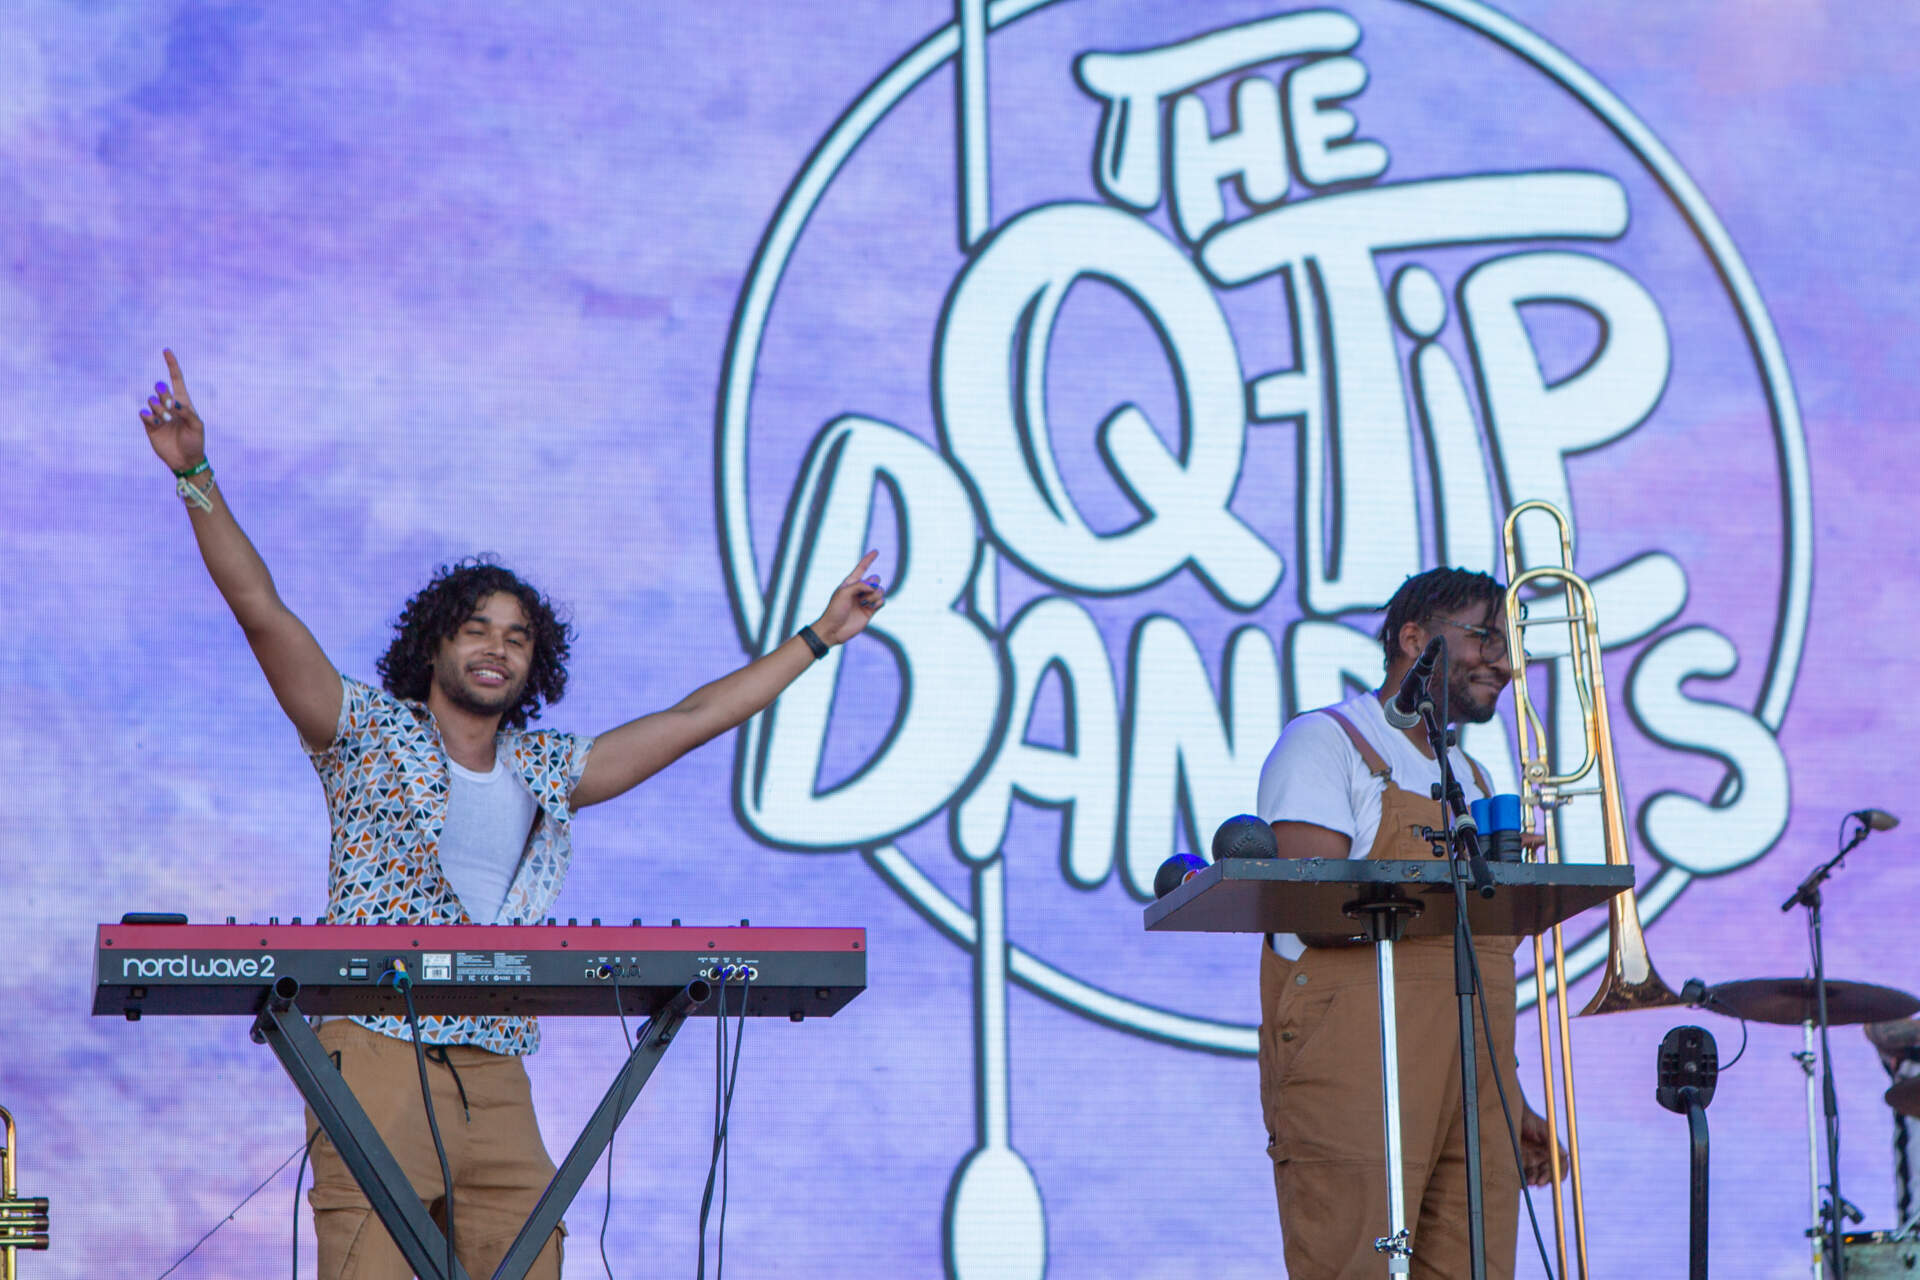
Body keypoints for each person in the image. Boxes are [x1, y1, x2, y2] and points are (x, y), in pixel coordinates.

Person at [137, 350, 886, 1280]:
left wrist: (818, 637)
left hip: (495, 1058)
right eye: (477, 629)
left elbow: (695, 719)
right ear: (436, 645)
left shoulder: (545, 767)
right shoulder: (365, 730)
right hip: (374, 1042)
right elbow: (262, 611)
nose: (497, 648)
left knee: (530, 1262)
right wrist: (196, 476)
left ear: (536, 665)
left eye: (517, 637)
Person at [1254, 567, 1561, 1280]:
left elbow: (1476, 955)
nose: (1504, 663)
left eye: (1509, 644)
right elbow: (1312, 905)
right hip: (1359, 1056)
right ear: (1412, 638)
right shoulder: (1327, 742)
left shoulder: (1477, 781)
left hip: (1473, 1082)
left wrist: (1509, 1096)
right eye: (1485, 635)